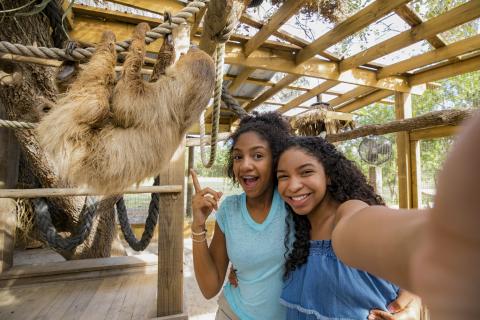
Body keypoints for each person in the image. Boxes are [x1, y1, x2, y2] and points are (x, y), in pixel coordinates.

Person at [191, 111, 421, 320]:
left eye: (258, 155)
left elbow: (362, 222)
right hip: (234, 313)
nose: (245, 165)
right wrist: (198, 225)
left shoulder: (297, 205)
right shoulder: (231, 209)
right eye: (238, 157)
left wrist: (413, 300)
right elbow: (211, 287)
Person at [276, 110, 480, 320]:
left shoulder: (348, 212)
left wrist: (452, 239)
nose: (292, 185)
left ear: (328, 176)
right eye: (283, 177)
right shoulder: (292, 229)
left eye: (306, 172)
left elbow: (380, 232)